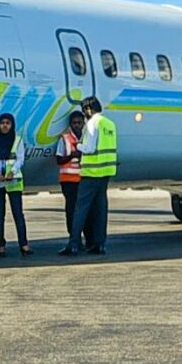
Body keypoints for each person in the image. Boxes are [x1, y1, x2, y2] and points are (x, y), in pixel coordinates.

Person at [0, 111, 31, 258]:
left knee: (18, 214)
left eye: (8, 123)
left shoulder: (17, 141)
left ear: (12, 125)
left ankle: (24, 244)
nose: (5, 126)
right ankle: (1, 245)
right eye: (2, 123)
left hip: (13, 181)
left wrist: (12, 172)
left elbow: (20, 159)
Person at [75, 94, 119, 256]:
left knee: (80, 209)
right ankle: (100, 244)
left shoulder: (93, 123)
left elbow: (90, 148)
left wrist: (78, 145)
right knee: (101, 211)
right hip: (106, 171)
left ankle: (74, 243)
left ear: (88, 109)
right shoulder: (109, 124)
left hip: (91, 172)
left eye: (83, 110)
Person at [54, 107, 87, 256]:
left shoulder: (87, 138)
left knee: (84, 211)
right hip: (68, 180)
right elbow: (59, 159)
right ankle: (74, 239)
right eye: (74, 123)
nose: (77, 125)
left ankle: (82, 239)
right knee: (71, 211)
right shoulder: (65, 139)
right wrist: (73, 155)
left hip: (83, 179)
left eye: (79, 122)